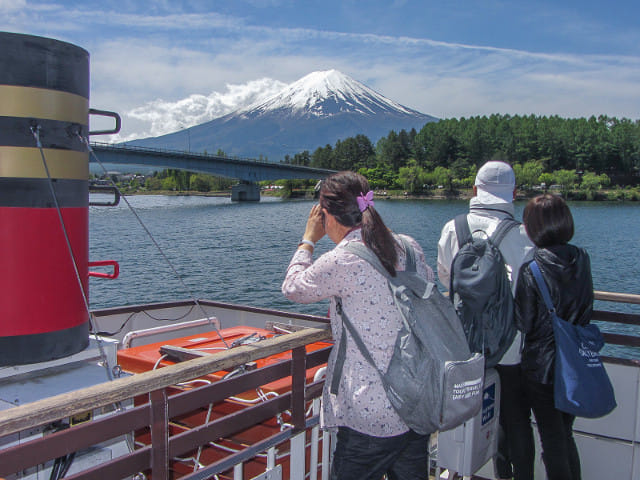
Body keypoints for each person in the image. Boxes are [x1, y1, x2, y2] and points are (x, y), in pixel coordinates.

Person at [282, 171, 433, 480]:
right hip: (416, 401)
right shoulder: (409, 246)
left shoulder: (342, 260)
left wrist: (308, 240)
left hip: (370, 413)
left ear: (326, 214)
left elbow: (293, 288)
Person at [437, 160, 534, 480]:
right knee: (514, 418)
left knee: (459, 412)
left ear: (476, 189)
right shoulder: (522, 234)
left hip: (463, 342)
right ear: (514, 193)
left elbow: (445, 279)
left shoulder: (455, 227)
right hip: (509, 344)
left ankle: (454, 469)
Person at [515, 194, 592, 480]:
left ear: (533, 226)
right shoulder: (582, 258)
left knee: (552, 440)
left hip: (542, 368)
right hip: (576, 362)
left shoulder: (531, 269)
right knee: (564, 435)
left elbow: (524, 321)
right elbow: (586, 305)